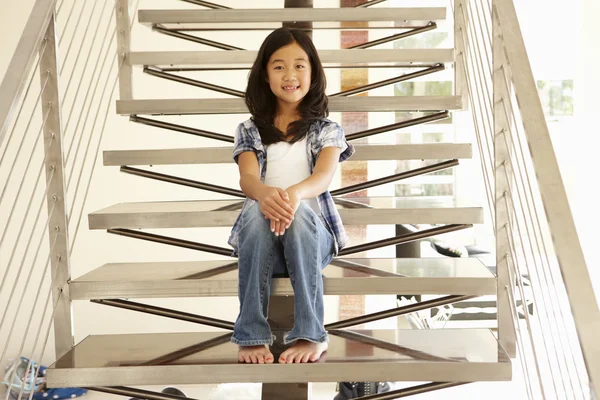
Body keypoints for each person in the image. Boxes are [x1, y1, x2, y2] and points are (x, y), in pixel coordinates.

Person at [227, 27, 354, 364]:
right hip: (262, 240)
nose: (290, 75)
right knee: (256, 210)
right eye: (279, 66)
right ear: (265, 75)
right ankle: (251, 335)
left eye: (300, 65)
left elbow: (323, 177)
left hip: (312, 243)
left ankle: (312, 334)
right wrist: (268, 195)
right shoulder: (250, 130)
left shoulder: (327, 129)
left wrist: (292, 196)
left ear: (312, 73)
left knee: (293, 213)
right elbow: (248, 179)